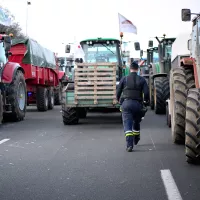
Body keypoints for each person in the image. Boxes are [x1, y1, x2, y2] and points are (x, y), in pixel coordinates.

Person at [117, 61, 149, 152]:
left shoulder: (124, 79)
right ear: (138, 69)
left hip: (126, 104)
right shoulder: (142, 80)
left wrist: (118, 100)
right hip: (138, 104)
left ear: (130, 69)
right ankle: (136, 138)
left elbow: (118, 91)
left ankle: (129, 145)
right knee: (136, 121)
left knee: (127, 124)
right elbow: (146, 93)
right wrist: (146, 101)